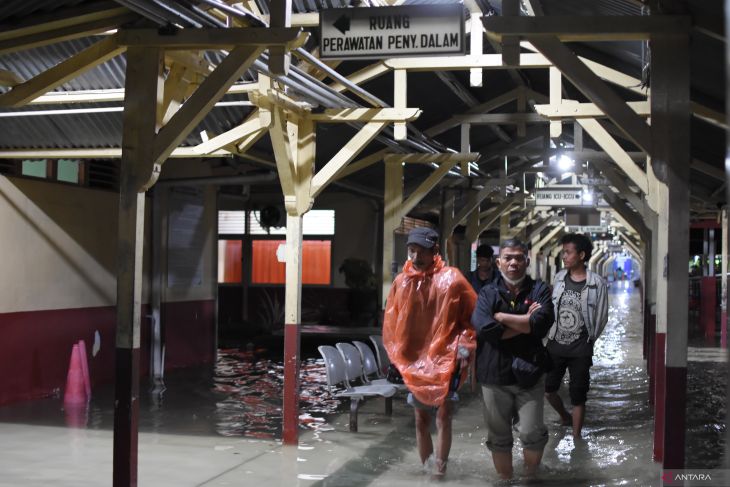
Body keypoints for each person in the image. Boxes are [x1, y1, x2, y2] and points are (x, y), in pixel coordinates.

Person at [383, 227, 477, 477]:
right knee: (420, 418)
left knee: (444, 416)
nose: (415, 257)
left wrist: (464, 347)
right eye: (412, 250)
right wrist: (397, 356)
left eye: (421, 251)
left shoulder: (453, 279)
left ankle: (439, 472)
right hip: (415, 361)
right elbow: (392, 321)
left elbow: (472, 318)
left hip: (446, 359)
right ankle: (426, 468)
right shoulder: (402, 282)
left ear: (435, 251)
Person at [471, 238, 555, 480]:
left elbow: (541, 323)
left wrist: (501, 317)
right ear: (499, 262)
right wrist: (524, 323)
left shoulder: (539, 290)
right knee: (499, 437)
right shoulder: (487, 293)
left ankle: (530, 478)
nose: (513, 262)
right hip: (494, 374)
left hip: (530, 373)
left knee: (532, 431)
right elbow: (486, 329)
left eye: (519, 258)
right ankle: (505, 481)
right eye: (508, 257)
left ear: (527, 261)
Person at [544, 233, 608, 439]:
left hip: (581, 349)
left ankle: (576, 439)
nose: (564, 256)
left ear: (581, 255)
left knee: (578, 396)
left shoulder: (597, 283)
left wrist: (588, 340)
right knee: (548, 390)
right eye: (563, 252)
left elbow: (601, 317)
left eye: (568, 252)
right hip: (555, 346)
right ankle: (564, 416)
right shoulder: (559, 278)